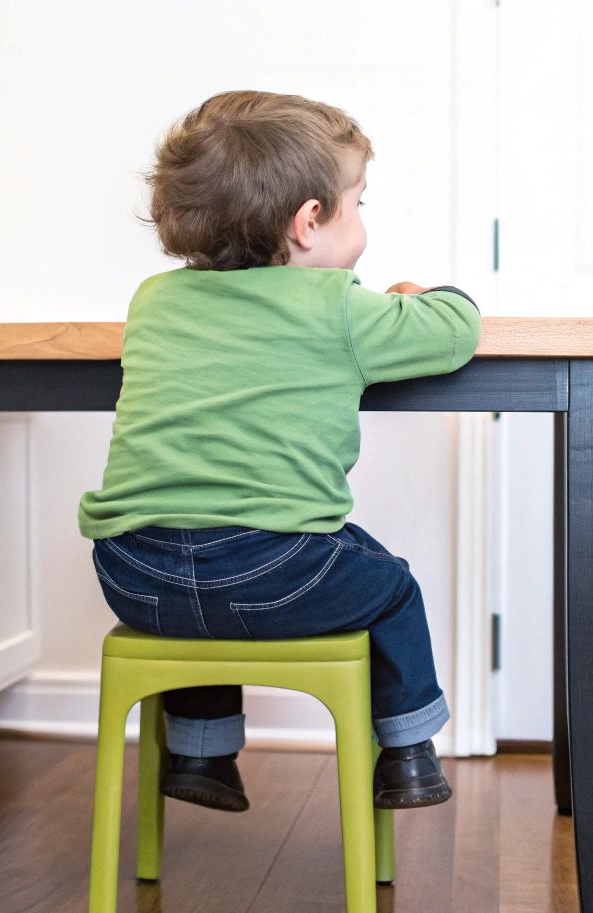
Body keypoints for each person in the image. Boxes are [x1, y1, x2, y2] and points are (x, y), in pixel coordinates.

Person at [78, 90, 480, 813]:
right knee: (388, 582)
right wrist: (425, 294)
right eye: (358, 203)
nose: (361, 222)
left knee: (199, 547)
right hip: (274, 574)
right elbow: (452, 330)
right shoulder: (336, 304)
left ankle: (200, 756)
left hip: (134, 572)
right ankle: (409, 752)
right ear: (309, 222)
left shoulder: (154, 301)